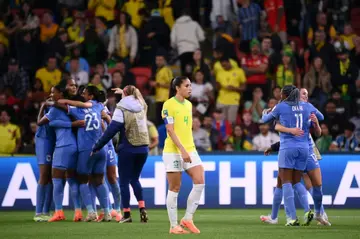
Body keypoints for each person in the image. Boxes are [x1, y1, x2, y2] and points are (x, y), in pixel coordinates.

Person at [261, 88, 330, 226]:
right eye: (303, 93)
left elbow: (269, 122)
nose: (306, 96)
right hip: (305, 149)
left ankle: (292, 217)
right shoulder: (307, 108)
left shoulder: (281, 107)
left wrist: (266, 112)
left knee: (286, 181)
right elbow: (320, 120)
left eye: (306, 94)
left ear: (286, 95)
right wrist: (315, 121)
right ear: (297, 95)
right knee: (297, 182)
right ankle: (314, 212)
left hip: (289, 149)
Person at [92, 85, 149, 223]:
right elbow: (138, 94)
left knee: (123, 182)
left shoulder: (121, 108)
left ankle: (127, 214)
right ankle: (142, 209)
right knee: (135, 179)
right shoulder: (142, 105)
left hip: (128, 148)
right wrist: (127, 90)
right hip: (144, 148)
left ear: (124, 94)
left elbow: (111, 130)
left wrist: (97, 146)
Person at [57, 86, 112, 222]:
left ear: (91, 96)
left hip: (86, 149)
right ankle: (107, 212)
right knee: (99, 180)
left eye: (85, 93)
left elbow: (62, 105)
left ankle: (91, 212)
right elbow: (107, 116)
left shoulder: (79, 110)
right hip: (101, 149)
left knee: (83, 180)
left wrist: (59, 100)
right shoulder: (99, 106)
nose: (82, 94)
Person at [161, 76, 205, 234]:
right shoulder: (168, 105)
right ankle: (173, 226)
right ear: (177, 88)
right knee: (175, 187)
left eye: (190, 85)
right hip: (173, 151)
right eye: (187, 86)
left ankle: (187, 218)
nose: (190, 88)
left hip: (189, 148)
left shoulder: (189, 104)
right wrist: (182, 150)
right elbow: (170, 130)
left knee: (200, 181)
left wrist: (188, 149)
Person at [37, 85, 83, 222]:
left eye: (53, 92)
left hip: (63, 145)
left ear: (60, 94)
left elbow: (40, 122)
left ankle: (58, 212)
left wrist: (42, 106)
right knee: (72, 179)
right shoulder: (70, 108)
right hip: (75, 145)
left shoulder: (55, 109)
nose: (51, 95)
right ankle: (78, 212)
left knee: (56, 179)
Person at [33, 96, 56, 222]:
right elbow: (39, 122)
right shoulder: (48, 109)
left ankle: (46, 211)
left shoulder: (58, 107)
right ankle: (38, 212)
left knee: (52, 177)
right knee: (44, 175)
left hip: (54, 142)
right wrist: (43, 105)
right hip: (44, 141)